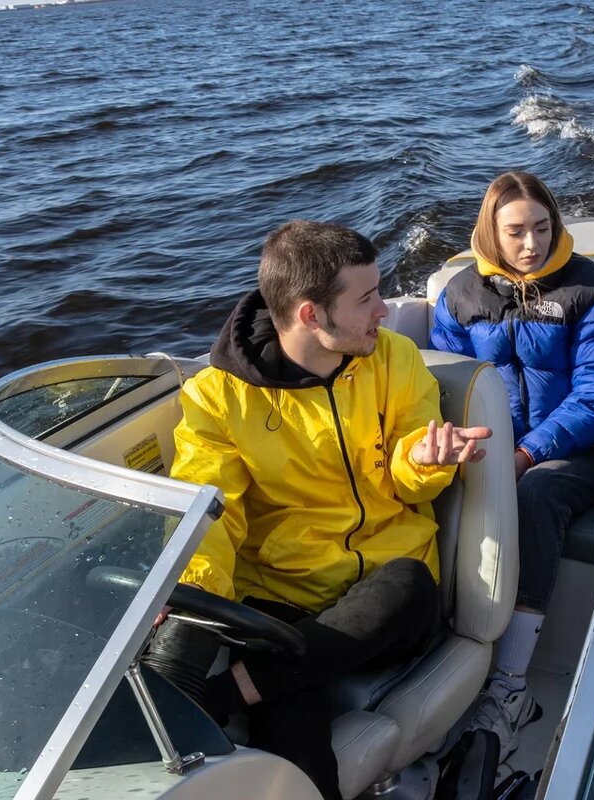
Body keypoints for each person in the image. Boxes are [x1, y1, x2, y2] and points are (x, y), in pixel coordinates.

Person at [147, 220, 491, 800]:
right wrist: (189, 590)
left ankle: (219, 698)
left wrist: (429, 461)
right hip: (280, 600)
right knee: (295, 766)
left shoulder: (395, 359)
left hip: (388, 596)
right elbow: (210, 508)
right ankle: (195, 714)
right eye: (367, 298)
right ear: (310, 315)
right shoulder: (218, 396)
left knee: (408, 584)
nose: (384, 310)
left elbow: (410, 474)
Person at [429, 170, 594, 758]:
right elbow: (445, 383)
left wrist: (525, 453)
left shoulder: (591, 293)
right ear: (490, 233)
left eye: (542, 228)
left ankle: (512, 683)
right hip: (489, 449)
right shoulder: (461, 295)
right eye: (516, 232)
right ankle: (437, 656)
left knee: (533, 498)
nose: (531, 244)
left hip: (574, 452)